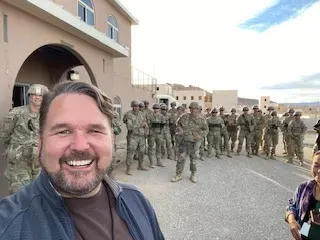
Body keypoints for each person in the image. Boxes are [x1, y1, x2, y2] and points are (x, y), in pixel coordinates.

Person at [0, 81, 164, 240]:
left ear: (111, 140)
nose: (80, 146)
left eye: (94, 130)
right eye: (63, 131)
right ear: (41, 142)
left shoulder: (137, 202)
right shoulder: (8, 224)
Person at [0, 84, 49, 194]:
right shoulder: (16, 113)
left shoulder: (48, 116)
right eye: (34, 95)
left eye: (40, 95)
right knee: (20, 194)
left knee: (38, 193)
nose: (37, 97)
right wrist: (13, 148)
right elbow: (5, 135)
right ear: (29, 96)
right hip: (19, 160)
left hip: (40, 161)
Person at [285, 151, 320, 240]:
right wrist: (292, 221)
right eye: (316, 165)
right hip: (304, 233)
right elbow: (292, 206)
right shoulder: (304, 188)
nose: (319, 171)